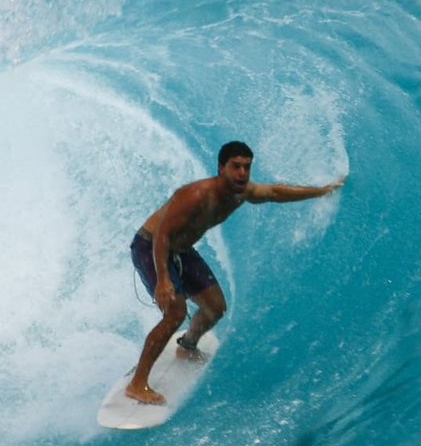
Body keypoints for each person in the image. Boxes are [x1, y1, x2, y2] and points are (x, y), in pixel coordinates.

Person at [124, 140, 345, 405]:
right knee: (175, 313)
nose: (242, 173)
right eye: (236, 166)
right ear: (221, 168)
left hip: (180, 250)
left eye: (247, 167)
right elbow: (162, 234)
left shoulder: (241, 193)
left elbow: (275, 192)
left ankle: (187, 346)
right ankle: (137, 384)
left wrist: (321, 191)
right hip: (151, 245)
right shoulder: (195, 195)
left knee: (215, 308)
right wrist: (163, 279)